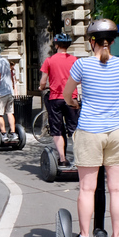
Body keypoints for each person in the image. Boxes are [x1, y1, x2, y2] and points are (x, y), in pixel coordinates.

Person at [63, 19, 119, 237]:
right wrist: (118, 103)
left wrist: (74, 103)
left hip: (90, 131)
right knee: (117, 190)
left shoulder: (81, 65)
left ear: (91, 41)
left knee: (87, 189)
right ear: (114, 41)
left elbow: (67, 95)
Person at [39, 33, 79, 166]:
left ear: (56, 45)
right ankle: (79, 158)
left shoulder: (49, 61)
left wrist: (41, 87)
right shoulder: (75, 60)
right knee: (74, 129)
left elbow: (43, 81)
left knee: (57, 129)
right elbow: (80, 79)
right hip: (71, 99)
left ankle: (62, 159)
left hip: (55, 98)